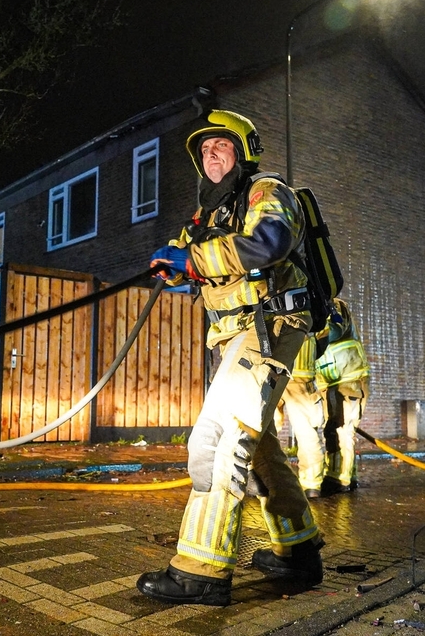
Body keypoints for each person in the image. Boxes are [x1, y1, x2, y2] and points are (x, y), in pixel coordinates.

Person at [137, 110, 323, 607]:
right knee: (259, 448)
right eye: (203, 150)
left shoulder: (267, 191)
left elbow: (271, 241)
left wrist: (193, 261)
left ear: (244, 150)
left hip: (269, 326)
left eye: (220, 145)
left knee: (216, 439)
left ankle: (202, 570)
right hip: (235, 337)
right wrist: (173, 264)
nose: (209, 154)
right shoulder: (209, 216)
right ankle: (299, 549)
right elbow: (187, 254)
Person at [315, 297, 370, 494]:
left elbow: (335, 330)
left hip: (348, 379)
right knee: (334, 428)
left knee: (341, 429)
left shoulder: (332, 305)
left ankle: (341, 480)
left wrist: (307, 330)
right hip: (332, 382)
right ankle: (341, 475)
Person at [278, 332, 327, 499]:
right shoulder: (314, 307)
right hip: (300, 378)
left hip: (270, 375)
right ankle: (311, 485)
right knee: (307, 435)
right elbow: (323, 341)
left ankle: (260, 479)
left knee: (260, 430)